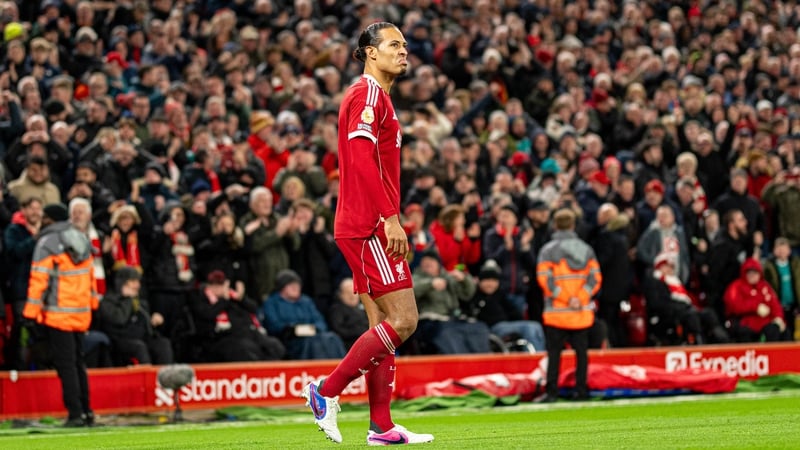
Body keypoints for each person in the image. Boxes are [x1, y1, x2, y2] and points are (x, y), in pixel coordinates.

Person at [301, 22, 433, 446]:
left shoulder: (378, 98)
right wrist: (390, 217)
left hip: (362, 223)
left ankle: (381, 426)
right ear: (370, 53)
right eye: (394, 44)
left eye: (404, 45)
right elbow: (358, 161)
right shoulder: (367, 94)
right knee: (404, 319)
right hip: (369, 225)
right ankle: (325, 392)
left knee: (379, 324)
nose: (404, 50)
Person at [22, 203, 98, 426]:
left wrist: (30, 313)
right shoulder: (82, 239)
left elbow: (39, 281)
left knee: (66, 367)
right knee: (78, 365)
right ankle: (87, 411)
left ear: (50, 219)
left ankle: (74, 414)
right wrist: (92, 305)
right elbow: (91, 278)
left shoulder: (48, 242)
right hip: (81, 314)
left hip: (58, 315)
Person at [536, 208, 602, 402]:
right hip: (580, 313)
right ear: (573, 225)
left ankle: (552, 392)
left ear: (555, 225)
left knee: (554, 355)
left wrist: (565, 298)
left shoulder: (547, 251)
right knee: (581, 354)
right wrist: (579, 299)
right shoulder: (587, 249)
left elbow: (545, 280)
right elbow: (595, 278)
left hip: (557, 312)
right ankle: (581, 391)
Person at [186, 270, 285, 363]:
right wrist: (224, 301)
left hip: (247, 333)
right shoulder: (200, 298)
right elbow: (207, 314)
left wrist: (241, 298)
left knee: (274, 346)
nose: (218, 288)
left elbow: (254, 309)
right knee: (247, 349)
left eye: (221, 284)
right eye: (214, 285)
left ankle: (272, 375)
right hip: (221, 338)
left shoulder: (233, 298)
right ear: (208, 285)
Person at [412, 248, 489, 354]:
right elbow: (411, 290)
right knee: (449, 332)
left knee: (479, 327)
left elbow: (467, 294)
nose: (427, 264)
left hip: (452, 319)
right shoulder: (415, 277)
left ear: (438, 264)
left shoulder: (448, 278)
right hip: (428, 321)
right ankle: (459, 364)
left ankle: (482, 363)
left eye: (431, 262)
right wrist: (430, 284)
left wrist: (464, 280)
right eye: (425, 262)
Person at [261, 269, 347, 360]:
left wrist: (315, 328)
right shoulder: (272, 303)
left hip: (312, 334)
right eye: (291, 285)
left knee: (332, 338)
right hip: (291, 340)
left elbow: (319, 320)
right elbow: (273, 325)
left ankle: (342, 367)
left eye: (297, 285)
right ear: (282, 288)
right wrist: (292, 329)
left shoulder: (306, 301)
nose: (296, 288)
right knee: (314, 343)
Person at [96, 267, 174, 366]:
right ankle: (146, 377)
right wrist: (127, 299)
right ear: (122, 283)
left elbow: (144, 323)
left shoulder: (139, 301)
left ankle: (166, 377)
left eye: (138, 281)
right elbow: (120, 319)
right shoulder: (108, 302)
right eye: (133, 281)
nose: (137, 285)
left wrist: (153, 321)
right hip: (120, 340)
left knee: (163, 344)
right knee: (139, 347)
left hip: (141, 338)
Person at [465, 259, 546, 352]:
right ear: (480, 282)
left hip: (507, 325)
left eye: (493, 281)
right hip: (491, 328)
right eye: (486, 280)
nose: (490, 284)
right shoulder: (475, 297)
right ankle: (535, 359)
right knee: (529, 328)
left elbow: (515, 312)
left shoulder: (500, 295)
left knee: (536, 326)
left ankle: (541, 354)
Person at [723, 258, 786, 342]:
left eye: (755, 273)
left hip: (765, 323)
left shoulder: (765, 286)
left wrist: (779, 317)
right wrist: (756, 307)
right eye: (749, 273)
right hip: (745, 323)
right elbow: (734, 306)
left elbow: (775, 304)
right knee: (744, 333)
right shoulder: (736, 286)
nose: (752, 275)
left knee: (778, 330)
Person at [762, 238, 800, 339]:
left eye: (784, 248)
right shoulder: (769, 267)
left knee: (794, 332)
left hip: (794, 306)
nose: (782, 251)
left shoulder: (796, 265)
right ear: (774, 250)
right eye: (779, 248)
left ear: (789, 250)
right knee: (782, 331)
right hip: (778, 306)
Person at [327, 278, 370, 350]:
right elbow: (338, 330)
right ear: (340, 294)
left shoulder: (365, 307)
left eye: (354, 292)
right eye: (348, 293)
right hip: (349, 345)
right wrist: (359, 332)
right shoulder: (337, 309)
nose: (352, 296)